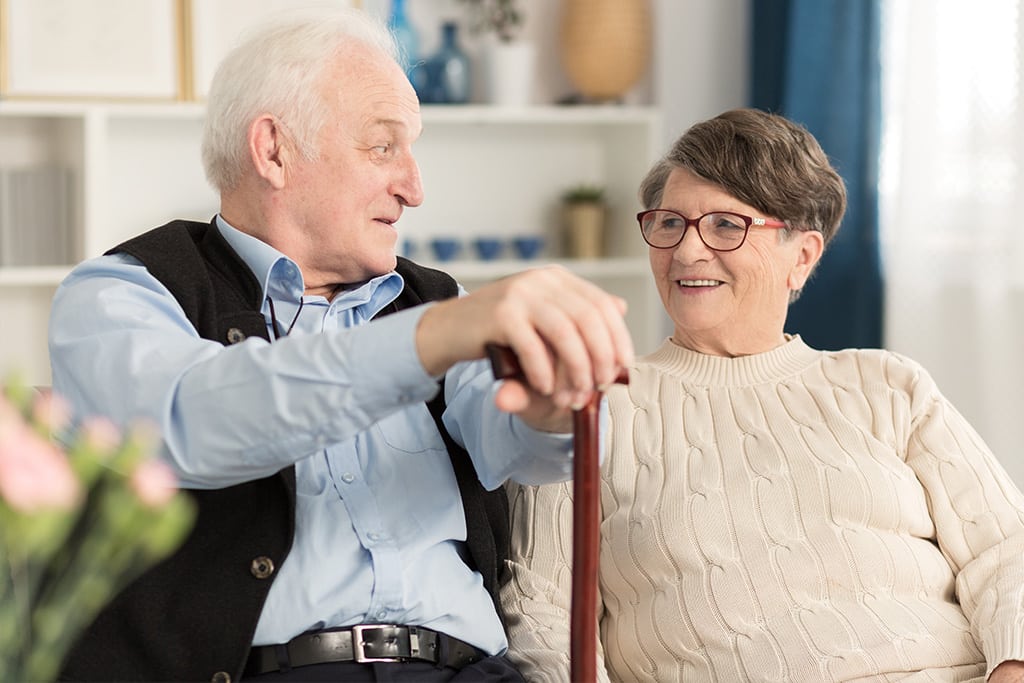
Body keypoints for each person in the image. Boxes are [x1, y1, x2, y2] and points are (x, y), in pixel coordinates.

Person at [47, 7, 633, 682]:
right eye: (383, 147)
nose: (414, 188)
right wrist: (428, 341)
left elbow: (526, 447)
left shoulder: (436, 300)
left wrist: (552, 405)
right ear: (273, 150)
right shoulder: (122, 293)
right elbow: (191, 419)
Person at [500, 108, 1024, 682]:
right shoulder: (591, 405)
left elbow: (1007, 553)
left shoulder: (889, 387)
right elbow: (543, 612)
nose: (687, 252)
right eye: (670, 222)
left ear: (801, 256)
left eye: (727, 225)